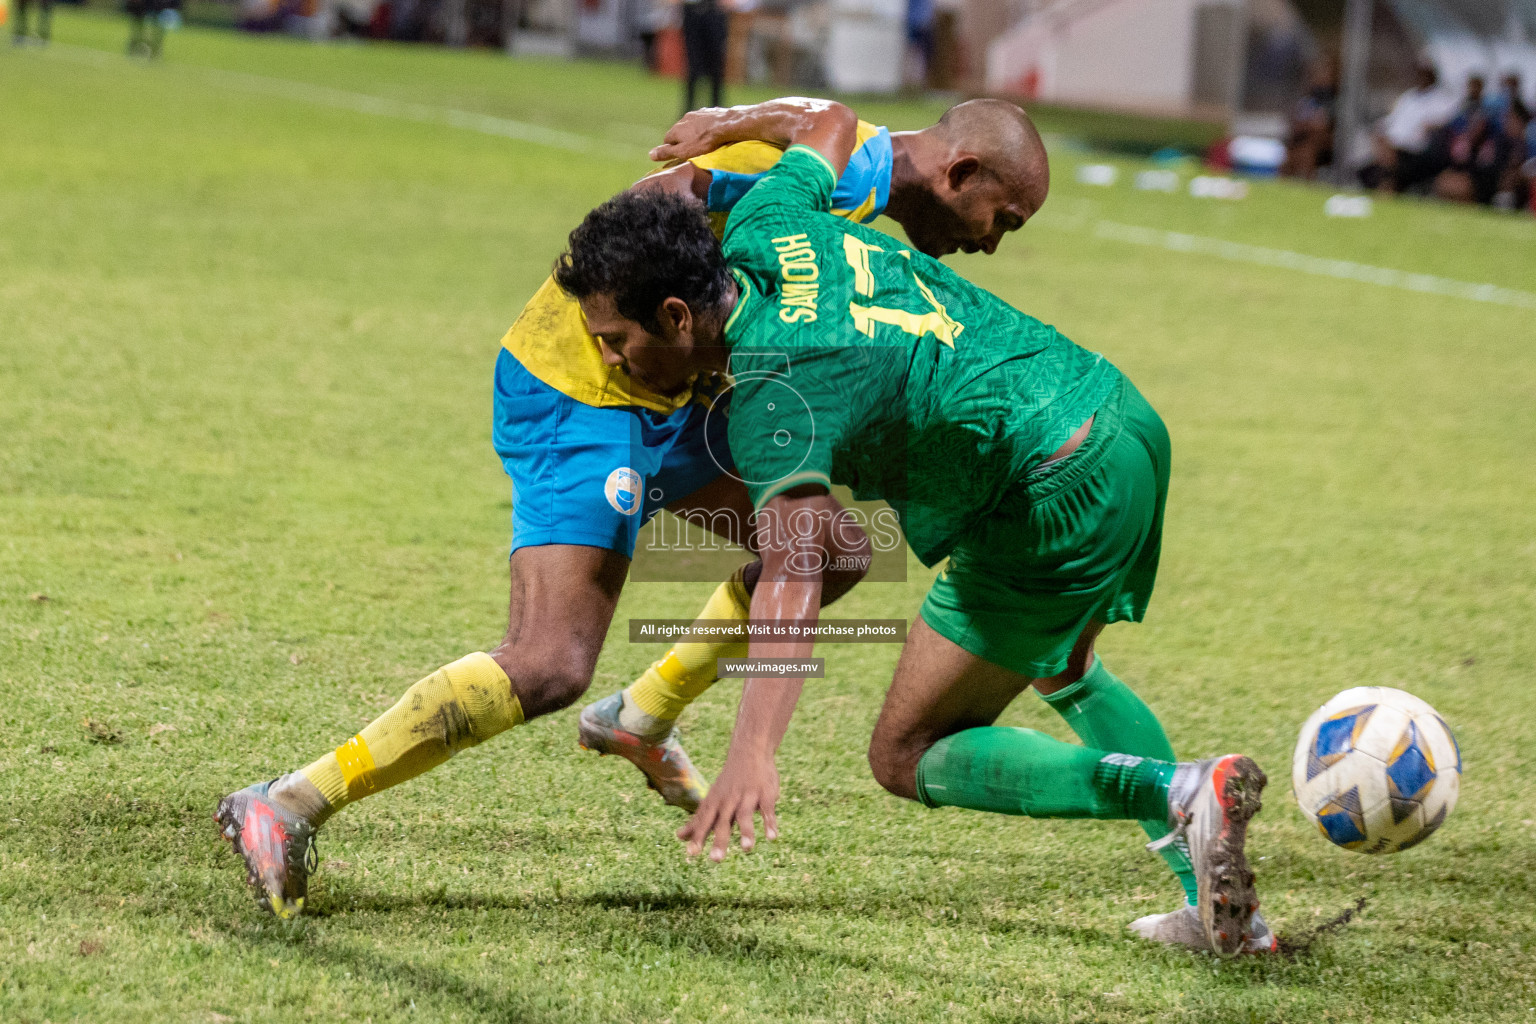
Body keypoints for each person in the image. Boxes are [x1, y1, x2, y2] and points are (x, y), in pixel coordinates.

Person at [213, 98, 1055, 920]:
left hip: (682, 377)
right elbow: (661, 204)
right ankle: (287, 804)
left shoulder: (855, 166)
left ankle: (640, 718)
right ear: (960, 171)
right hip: (584, 389)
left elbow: (820, 121)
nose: (989, 242)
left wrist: (730, 129)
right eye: (1002, 218)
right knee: (549, 661)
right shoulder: (853, 168)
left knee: (832, 549)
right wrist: (644, 296)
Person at [555, 103, 1274, 956]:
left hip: (1049, 479)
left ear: (679, 318)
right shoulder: (769, 216)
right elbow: (830, 127)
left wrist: (753, 747)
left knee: (906, 753)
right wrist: (734, 122)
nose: (610, 361)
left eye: (615, 340)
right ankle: (1231, 920)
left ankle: (1177, 791)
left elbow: (796, 565)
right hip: (1114, 415)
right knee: (1063, 662)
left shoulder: (771, 397)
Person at [1365, 62, 1457, 194]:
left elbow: (1441, 123)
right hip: (1394, 144)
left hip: (1416, 149)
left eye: (1425, 74)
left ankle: (1388, 185)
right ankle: (1385, 182)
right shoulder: (1408, 97)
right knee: (1378, 155)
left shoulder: (1441, 100)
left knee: (1392, 156)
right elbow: (1391, 120)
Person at [681, 0, 728, 112]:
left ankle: (717, 109)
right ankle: (688, 109)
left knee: (716, 65)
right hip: (692, 11)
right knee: (693, 66)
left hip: (714, 11)